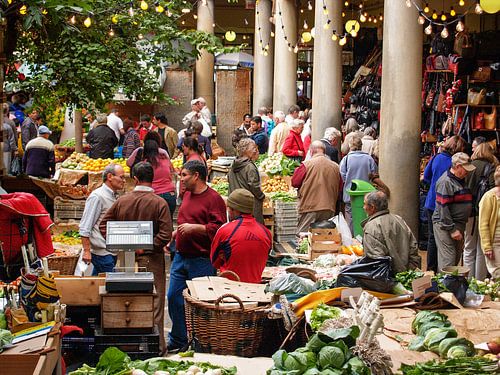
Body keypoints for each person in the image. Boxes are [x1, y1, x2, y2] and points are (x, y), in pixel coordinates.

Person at [100, 162, 172, 355]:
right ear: (153, 179)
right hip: (152, 261)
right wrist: (145, 247)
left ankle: (127, 347)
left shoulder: (122, 201)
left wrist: (120, 244)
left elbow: (103, 224)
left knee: (126, 301)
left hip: (124, 259)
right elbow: (166, 235)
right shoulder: (159, 203)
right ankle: (156, 348)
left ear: (135, 179)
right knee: (154, 304)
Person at [167, 160, 227, 351]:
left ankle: (201, 342)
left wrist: (197, 228)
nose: (181, 179)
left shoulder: (214, 199)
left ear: (196, 176)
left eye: (184, 175)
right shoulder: (186, 195)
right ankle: (178, 339)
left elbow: (219, 228)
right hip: (180, 256)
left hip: (201, 260)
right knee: (173, 297)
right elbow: (186, 221)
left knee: (201, 304)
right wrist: (177, 234)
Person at [423, 135, 466, 272]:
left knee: (432, 238)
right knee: (443, 239)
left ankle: (431, 268)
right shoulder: (451, 164)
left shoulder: (436, 157)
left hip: (431, 201)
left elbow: (426, 176)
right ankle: (440, 269)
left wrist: (433, 186)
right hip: (445, 203)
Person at [211, 189, 271, 283]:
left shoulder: (225, 230)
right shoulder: (266, 232)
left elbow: (215, 262)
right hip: (255, 289)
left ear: (233, 209)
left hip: (229, 288)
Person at [433, 152, 475, 271]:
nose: (467, 172)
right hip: (445, 224)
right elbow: (443, 208)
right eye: (465, 169)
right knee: (449, 259)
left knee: (455, 257)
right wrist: (452, 229)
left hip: (458, 224)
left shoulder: (461, 179)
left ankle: (449, 285)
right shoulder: (446, 182)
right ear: (457, 167)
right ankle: (445, 287)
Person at [79, 164, 125, 275]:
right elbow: (85, 226)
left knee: (98, 284)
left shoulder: (114, 196)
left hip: (110, 252)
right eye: (121, 177)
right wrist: (86, 251)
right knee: (108, 287)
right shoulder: (97, 196)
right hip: (102, 253)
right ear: (110, 177)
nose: (124, 181)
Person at [362, 191, 421, 273]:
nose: (363, 207)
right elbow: (413, 249)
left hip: (389, 279)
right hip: (405, 274)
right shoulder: (398, 219)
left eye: (365, 204)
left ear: (372, 207)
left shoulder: (371, 227)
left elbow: (376, 261)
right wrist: (410, 273)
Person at [464, 143, 498, 280]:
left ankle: (467, 280)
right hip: (484, 211)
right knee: (480, 249)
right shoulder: (490, 168)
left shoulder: (469, 166)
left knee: (468, 248)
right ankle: (478, 282)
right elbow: (492, 189)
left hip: (468, 211)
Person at [292, 141, 341, 235]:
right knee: (324, 236)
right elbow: (340, 187)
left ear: (311, 151)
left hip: (309, 206)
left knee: (304, 235)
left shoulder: (306, 165)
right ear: (324, 151)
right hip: (329, 206)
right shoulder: (335, 166)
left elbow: (295, 182)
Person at [128, 138, 177, 218]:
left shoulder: (145, 164)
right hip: (169, 194)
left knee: (154, 223)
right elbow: (173, 172)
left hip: (154, 195)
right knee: (168, 222)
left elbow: (129, 163)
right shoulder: (165, 160)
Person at [339, 134, 377, 228]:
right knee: (366, 216)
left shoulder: (346, 159)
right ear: (361, 146)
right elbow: (374, 174)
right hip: (366, 193)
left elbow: (342, 176)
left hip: (350, 194)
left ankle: (352, 238)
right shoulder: (369, 159)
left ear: (350, 146)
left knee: (350, 218)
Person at [228, 138, 265, 224]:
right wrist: (261, 196)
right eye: (253, 148)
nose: (255, 150)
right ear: (245, 150)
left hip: (235, 203)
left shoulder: (233, 164)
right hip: (247, 205)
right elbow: (254, 186)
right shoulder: (249, 167)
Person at [478, 165, 500, 279]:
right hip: (495, 243)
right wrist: (487, 247)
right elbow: (483, 224)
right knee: (498, 274)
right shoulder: (489, 197)